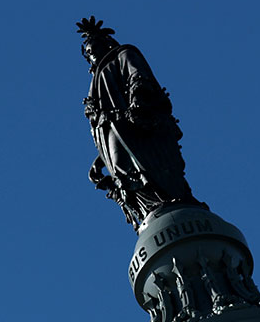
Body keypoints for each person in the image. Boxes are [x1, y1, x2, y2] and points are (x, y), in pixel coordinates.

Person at [77, 17, 200, 227]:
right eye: (88, 53)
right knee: (126, 177)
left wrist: (137, 101)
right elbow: (99, 125)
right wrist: (101, 159)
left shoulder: (123, 55)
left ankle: (169, 201)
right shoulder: (94, 81)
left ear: (106, 43)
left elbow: (138, 76)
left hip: (132, 123)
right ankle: (149, 212)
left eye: (94, 47)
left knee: (151, 165)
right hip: (112, 135)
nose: (92, 54)